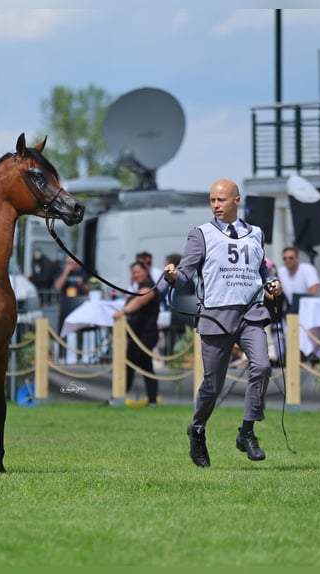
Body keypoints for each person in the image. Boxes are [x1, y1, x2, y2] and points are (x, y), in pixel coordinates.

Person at [163, 178, 282, 467]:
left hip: (250, 313)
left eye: (221, 200)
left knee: (263, 366)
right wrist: (172, 277)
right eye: (212, 200)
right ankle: (198, 431)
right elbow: (185, 275)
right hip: (216, 316)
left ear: (236, 200)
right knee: (212, 385)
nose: (215, 205)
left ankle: (247, 432)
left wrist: (271, 283)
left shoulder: (255, 233)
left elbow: (261, 269)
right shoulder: (200, 234)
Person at [112, 261, 161, 406]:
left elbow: (139, 302)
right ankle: (151, 400)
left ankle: (118, 397)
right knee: (145, 367)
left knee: (130, 365)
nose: (135, 275)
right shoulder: (137, 288)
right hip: (136, 334)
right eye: (133, 272)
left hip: (146, 334)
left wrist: (123, 312)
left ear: (146, 272)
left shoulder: (149, 287)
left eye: (138, 271)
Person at [53, 256, 89, 343]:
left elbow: (89, 288)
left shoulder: (82, 273)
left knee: (80, 328)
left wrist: (82, 284)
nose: (72, 265)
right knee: (64, 328)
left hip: (79, 303)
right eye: (70, 263)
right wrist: (66, 272)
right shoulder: (63, 272)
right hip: (66, 304)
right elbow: (57, 287)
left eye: (73, 263)